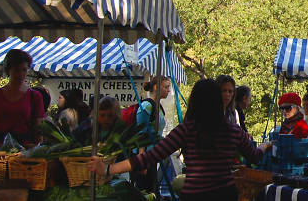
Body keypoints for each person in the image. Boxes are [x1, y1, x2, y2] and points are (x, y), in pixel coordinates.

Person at [88, 79, 273, 201]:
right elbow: (255, 156)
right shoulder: (233, 131)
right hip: (224, 194)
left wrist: (108, 169)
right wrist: (265, 146)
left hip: (194, 195)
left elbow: (148, 158)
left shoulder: (186, 130)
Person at [0, 49, 45, 146]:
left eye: (24, 70)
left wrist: (37, 149)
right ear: (8, 70)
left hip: (24, 150)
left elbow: (38, 128)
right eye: (16, 69)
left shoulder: (35, 96)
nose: (21, 74)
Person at [133, 75, 171, 193]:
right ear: (156, 87)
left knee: (152, 188)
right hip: (146, 155)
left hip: (154, 155)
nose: (168, 90)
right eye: (166, 87)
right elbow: (141, 133)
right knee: (145, 189)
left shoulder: (158, 107)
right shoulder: (147, 106)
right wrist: (141, 160)